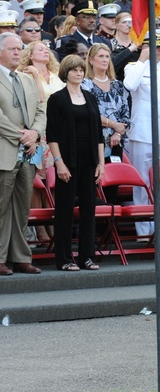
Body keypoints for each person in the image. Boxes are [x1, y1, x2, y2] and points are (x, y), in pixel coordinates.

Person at [46, 54, 105, 271]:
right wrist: (59, 162)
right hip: (67, 160)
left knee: (89, 208)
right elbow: (51, 133)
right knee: (65, 209)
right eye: (74, 70)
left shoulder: (90, 97)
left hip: (89, 160)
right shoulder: (57, 98)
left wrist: (101, 163)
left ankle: (86, 257)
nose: (78, 73)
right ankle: (64, 258)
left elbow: (98, 133)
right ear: (66, 73)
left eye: (81, 70)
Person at [0, 32, 46, 275]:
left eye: (20, 48)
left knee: (21, 208)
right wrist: (22, 135)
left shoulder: (27, 80)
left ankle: (20, 257)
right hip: (5, 150)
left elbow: (41, 109)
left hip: (29, 152)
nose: (18, 52)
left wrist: (35, 134)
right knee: (1, 205)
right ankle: (0, 258)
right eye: (12, 49)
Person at [125, 30, 160, 235]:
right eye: (154, 46)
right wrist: (142, 59)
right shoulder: (134, 68)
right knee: (142, 184)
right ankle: (143, 231)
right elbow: (130, 85)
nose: (159, 50)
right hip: (144, 134)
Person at [82, 43, 130, 167]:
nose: (105, 60)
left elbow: (125, 113)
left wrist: (118, 133)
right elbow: (87, 113)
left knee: (113, 183)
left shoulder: (118, 85)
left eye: (107, 57)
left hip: (116, 141)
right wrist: (113, 124)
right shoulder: (84, 84)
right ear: (91, 60)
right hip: (92, 139)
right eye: (101, 56)